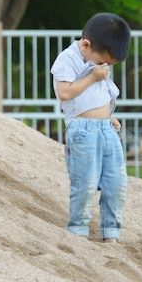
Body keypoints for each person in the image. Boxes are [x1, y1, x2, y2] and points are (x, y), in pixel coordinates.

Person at [51, 12, 131, 243]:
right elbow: (65, 92)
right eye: (101, 61)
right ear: (85, 44)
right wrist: (93, 76)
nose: (103, 67)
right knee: (85, 184)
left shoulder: (97, 62)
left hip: (106, 130)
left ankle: (111, 234)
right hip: (83, 131)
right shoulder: (68, 58)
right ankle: (77, 231)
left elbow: (95, 97)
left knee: (116, 183)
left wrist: (108, 117)